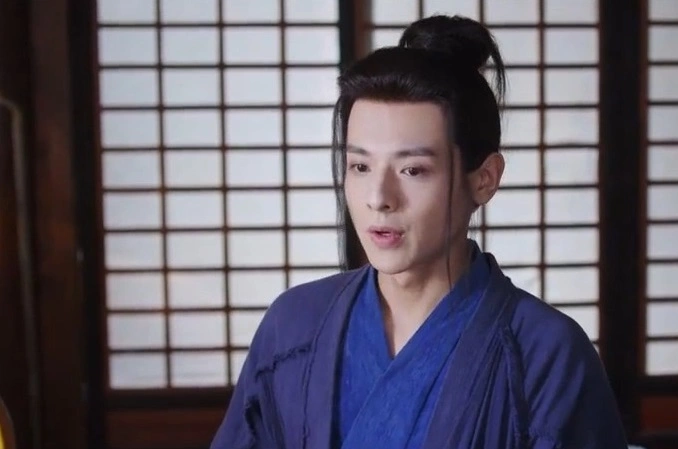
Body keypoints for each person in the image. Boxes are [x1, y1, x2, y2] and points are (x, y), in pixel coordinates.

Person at [210, 14, 627, 449]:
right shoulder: (294, 325)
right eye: (360, 166)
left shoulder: (545, 354)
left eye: (413, 170)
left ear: (484, 179)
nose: (379, 198)